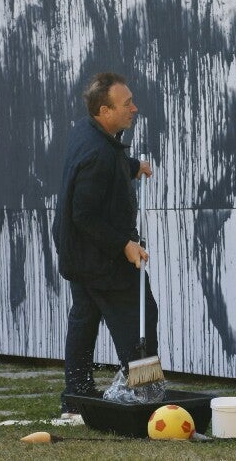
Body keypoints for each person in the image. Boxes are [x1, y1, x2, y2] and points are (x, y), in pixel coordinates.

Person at [52, 72, 159, 417]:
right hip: (98, 255)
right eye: (126, 104)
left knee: (85, 316)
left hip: (78, 253)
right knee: (140, 313)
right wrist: (124, 244)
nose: (134, 108)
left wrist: (133, 166)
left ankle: (76, 398)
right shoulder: (98, 152)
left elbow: (108, 165)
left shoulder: (90, 133)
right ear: (104, 111)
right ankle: (144, 396)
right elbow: (84, 213)